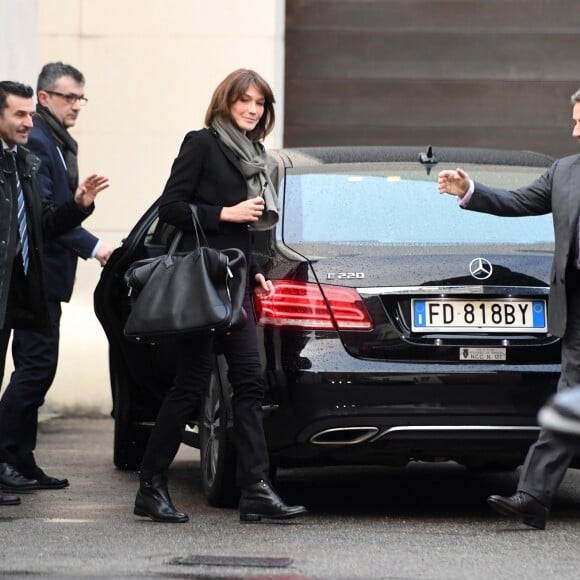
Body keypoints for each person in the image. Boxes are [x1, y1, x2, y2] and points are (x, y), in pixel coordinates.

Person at [133, 69, 307, 524]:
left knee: (249, 384)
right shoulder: (202, 144)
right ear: (224, 103)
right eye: (243, 101)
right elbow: (170, 208)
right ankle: (150, 486)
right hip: (203, 288)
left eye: (260, 103)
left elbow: (245, 239)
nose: (252, 109)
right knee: (190, 387)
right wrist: (224, 213)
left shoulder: (255, 156)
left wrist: (255, 273)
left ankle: (256, 489)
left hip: (236, 287)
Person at [437, 88, 580, 530]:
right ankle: (534, 496)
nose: (575, 129)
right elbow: (518, 202)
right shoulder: (564, 172)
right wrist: (470, 190)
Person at [0, 63, 114, 495]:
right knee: (35, 369)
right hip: (30, 278)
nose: (77, 106)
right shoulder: (40, 144)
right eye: (69, 97)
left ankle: (19, 458)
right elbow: (41, 219)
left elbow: (45, 216)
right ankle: (8, 454)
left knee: (36, 369)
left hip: (37, 279)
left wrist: (82, 204)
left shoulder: (45, 145)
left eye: (81, 98)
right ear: (46, 97)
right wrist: (95, 244)